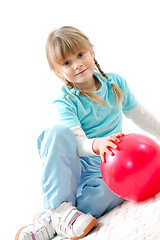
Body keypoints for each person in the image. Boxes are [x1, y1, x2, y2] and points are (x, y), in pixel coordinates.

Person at [16, 26, 160, 240]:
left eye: (80, 55)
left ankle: (57, 217)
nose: (77, 64)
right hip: (78, 165)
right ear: (57, 72)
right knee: (57, 132)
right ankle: (58, 209)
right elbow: (77, 142)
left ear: (91, 53)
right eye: (67, 63)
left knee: (111, 194)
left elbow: (139, 114)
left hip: (107, 167)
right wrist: (97, 144)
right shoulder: (66, 101)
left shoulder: (115, 83)